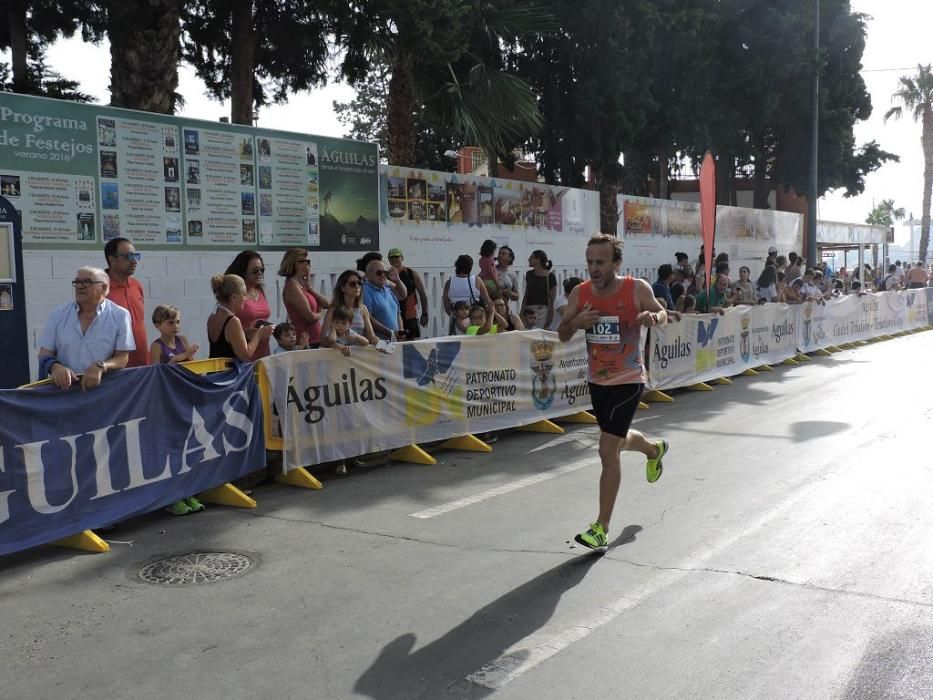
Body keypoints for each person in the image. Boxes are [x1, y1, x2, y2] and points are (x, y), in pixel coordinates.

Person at [557, 233, 669, 552]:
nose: (594, 268)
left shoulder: (636, 289)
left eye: (600, 262)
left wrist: (653, 317)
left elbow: (662, 313)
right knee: (616, 442)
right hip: (598, 381)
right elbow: (563, 334)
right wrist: (577, 322)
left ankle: (601, 528)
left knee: (607, 451)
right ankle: (653, 449)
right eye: (590, 262)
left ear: (616, 263)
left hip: (629, 379)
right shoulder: (580, 293)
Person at [38, 266, 134, 391]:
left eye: (87, 282)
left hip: (102, 390)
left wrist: (101, 366)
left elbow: (122, 358)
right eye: (77, 282)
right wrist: (56, 367)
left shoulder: (120, 315)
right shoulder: (57, 314)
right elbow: (44, 354)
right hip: (63, 391)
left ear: (104, 288)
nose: (80, 286)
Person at [148, 304, 204, 516]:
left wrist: (187, 358)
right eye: (170, 322)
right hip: (166, 400)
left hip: (184, 396)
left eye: (177, 322)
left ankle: (187, 491)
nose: (175, 326)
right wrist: (177, 359)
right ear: (158, 325)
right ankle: (173, 496)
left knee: (186, 444)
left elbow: (191, 365)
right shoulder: (157, 346)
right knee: (171, 447)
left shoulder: (183, 341)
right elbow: (156, 373)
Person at [207, 274, 274, 361]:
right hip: (231, 373)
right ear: (234, 297)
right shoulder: (233, 321)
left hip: (215, 372)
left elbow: (224, 344)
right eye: (243, 295)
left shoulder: (213, 317)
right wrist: (259, 335)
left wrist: (245, 333)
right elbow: (245, 355)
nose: (245, 299)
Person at [104, 237, 148, 367]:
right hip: (114, 368)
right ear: (112, 259)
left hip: (142, 363)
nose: (134, 261)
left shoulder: (136, 285)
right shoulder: (100, 289)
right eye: (129, 256)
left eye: (135, 255)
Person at [279, 248, 329, 348]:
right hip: (305, 342)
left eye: (308, 262)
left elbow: (326, 304)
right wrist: (321, 313)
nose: (308, 265)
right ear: (295, 264)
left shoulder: (302, 286)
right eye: (305, 261)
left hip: (315, 340)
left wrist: (310, 288)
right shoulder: (292, 287)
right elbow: (309, 317)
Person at [226, 250, 272, 359]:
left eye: (262, 269)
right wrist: (246, 333)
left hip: (264, 352)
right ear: (243, 271)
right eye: (255, 271)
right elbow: (226, 322)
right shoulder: (235, 294)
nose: (260, 273)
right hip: (244, 353)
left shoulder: (259, 290)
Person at [321, 269, 380, 348]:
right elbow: (323, 340)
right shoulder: (333, 310)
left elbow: (371, 337)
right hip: (338, 356)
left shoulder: (363, 309)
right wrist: (340, 347)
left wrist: (386, 345)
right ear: (343, 288)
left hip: (359, 357)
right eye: (352, 284)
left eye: (359, 283)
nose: (357, 286)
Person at [443, 254, 491, 334]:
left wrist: (458, 315)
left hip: (456, 321)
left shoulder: (449, 283)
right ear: (470, 267)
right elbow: (488, 301)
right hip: (475, 321)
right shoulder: (477, 280)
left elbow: (447, 307)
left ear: (457, 266)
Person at [387, 248, 429, 339]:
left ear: (402, 258)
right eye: (391, 257)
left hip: (410, 316)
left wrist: (424, 313)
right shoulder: (385, 275)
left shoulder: (411, 273)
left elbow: (422, 294)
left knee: (411, 345)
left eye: (396, 257)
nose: (394, 259)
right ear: (389, 260)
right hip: (393, 317)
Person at [363, 258, 404, 341]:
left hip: (395, 342)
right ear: (368, 275)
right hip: (379, 345)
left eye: (385, 273)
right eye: (379, 273)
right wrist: (391, 333)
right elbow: (368, 318)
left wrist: (401, 332)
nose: (383, 275)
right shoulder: (365, 291)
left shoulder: (387, 289)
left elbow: (398, 313)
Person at [521, 249, 558, 329]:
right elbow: (526, 295)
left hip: (541, 311)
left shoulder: (550, 276)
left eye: (531, 257)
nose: (528, 259)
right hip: (528, 310)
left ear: (538, 259)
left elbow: (552, 301)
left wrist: (549, 320)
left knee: (538, 337)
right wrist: (521, 313)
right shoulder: (529, 274)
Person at [495, 245, 520, 310]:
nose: (500, 255)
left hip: (504, 308)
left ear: (510, 258)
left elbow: (517, 297)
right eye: (499, 253)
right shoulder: (491, 269)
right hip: (490, 306)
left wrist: (510, 293)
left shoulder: (512, 275)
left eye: (503, 254)